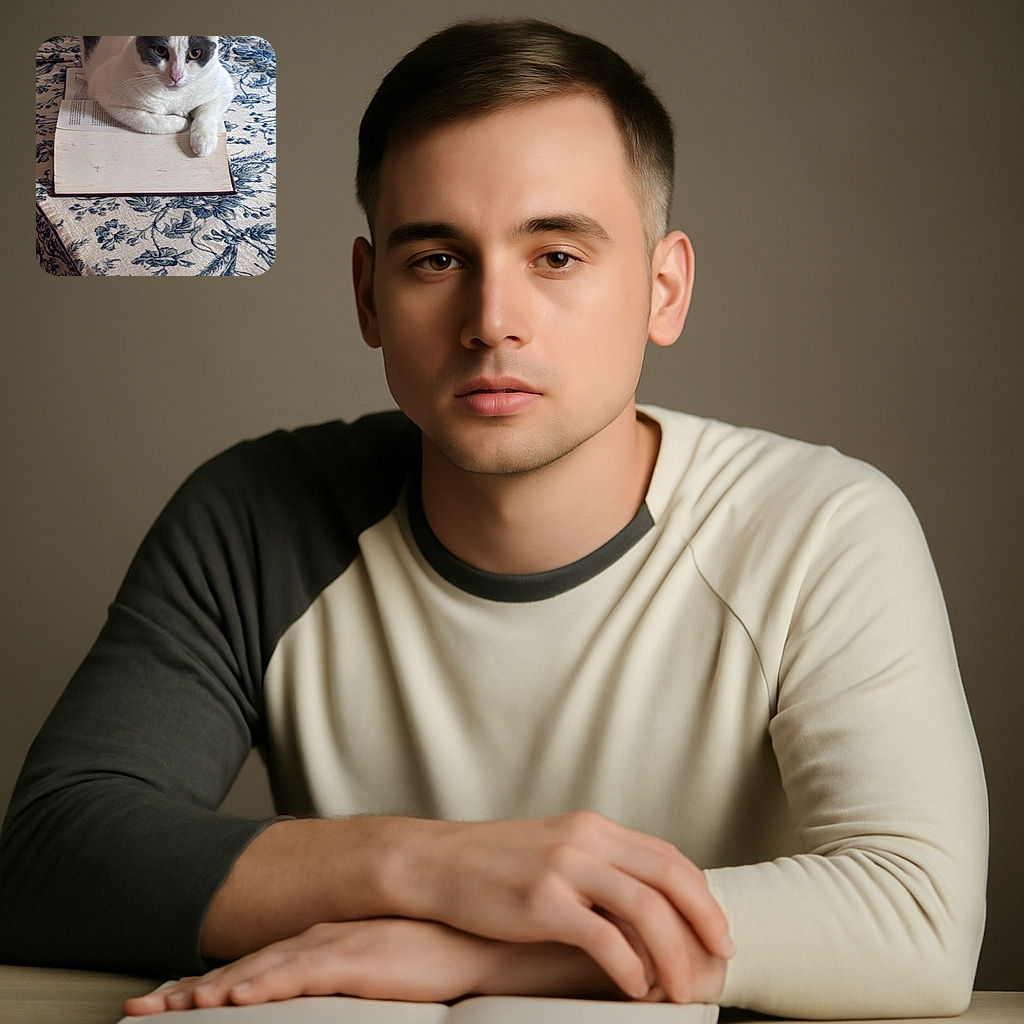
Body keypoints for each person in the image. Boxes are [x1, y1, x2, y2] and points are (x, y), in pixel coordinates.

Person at [0, 18, 986, 1019]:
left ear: (663, 288)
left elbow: (915, 916)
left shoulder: (820, 528)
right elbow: (52, 856)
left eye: (556, 256)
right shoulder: (254, 515)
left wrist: (477, 955)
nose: (491, 319)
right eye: (435, 259)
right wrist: (439, 868)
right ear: (367, 295)